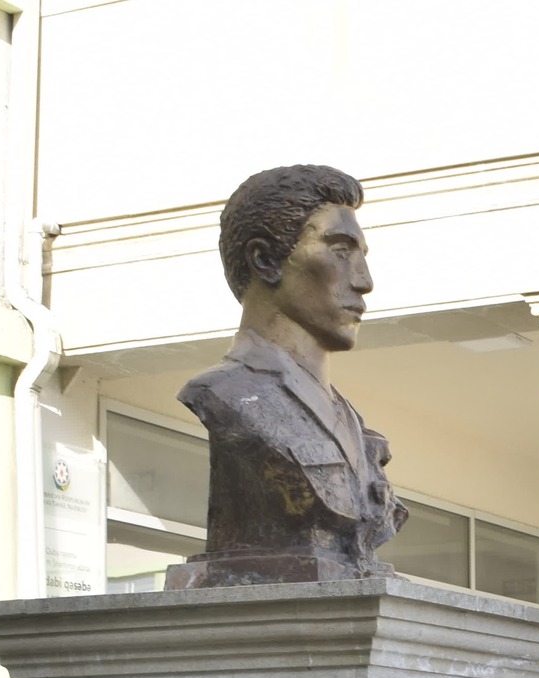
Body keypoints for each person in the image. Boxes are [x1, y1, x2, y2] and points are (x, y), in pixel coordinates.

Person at [169, 164, 408, 587]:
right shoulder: (226, 394)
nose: (364, 281)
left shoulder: (351, 420)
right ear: (265, 260)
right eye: (340, 251)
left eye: (362, 256)